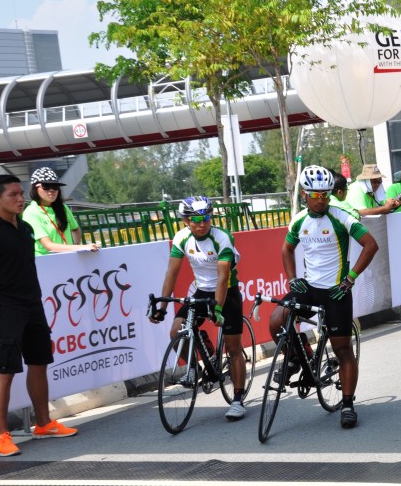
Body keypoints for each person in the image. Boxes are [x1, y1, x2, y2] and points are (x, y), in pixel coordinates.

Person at [269, 165, 378, 428]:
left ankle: (348, 403)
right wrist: (293, 279)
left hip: (336, 292)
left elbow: (370, 245)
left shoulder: (341, 217)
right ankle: (298, 355)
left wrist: (350, 279)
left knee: (342, 349)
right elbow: (286, 248)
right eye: (316, 195)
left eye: (326, 195)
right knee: (276, 320)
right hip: (309, 288)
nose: (322, 200)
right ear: (305, 194)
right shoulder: (299, 219)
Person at [0, 174, 78, 457]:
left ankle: (44, 423)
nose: (20, 199)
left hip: (33, 305)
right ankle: (1, 435)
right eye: (12, 195)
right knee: (5, 370)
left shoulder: (26, 227)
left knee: (39, 362)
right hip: (4, 308)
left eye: (20, 194)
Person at [149, 196, 248, 420]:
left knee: (233, 348)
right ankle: (196, 367)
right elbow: (171, 273)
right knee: (176, 330)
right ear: (186, 221)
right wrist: (163, 307)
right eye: (195, 220)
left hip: (227, 291)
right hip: (201, 290)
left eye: (206, 218)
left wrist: (218, 308)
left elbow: (223, 277)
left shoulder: (222, 238)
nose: (202, 224)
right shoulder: (182, 238)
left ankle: (238, 399)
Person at [22, 167, 99, 255]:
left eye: (55, 186)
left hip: (66, 258)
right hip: (45, 262)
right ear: (35, 188)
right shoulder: (31, 213)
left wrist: (75, 246)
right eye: (46, 186)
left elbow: (76, 229)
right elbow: (49, 246)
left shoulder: (63, 207)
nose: (51, 190)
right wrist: (81, 247)